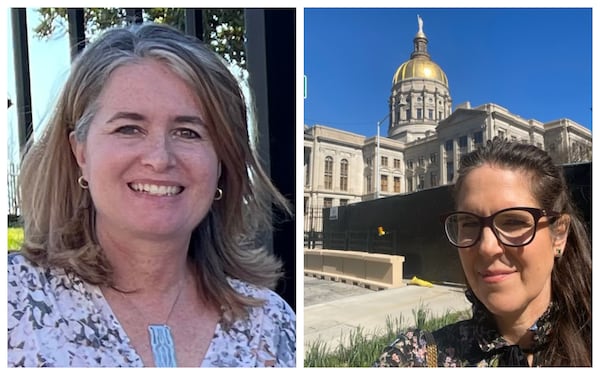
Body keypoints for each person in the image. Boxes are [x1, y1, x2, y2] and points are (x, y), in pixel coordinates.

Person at [8, 23, 295, 367]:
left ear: (222, 161)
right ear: (80, 153)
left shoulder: (269, 323)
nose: (160, 158)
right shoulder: (15, 299)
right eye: (129, 128)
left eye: (188, 133)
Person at [374, 137, 591, 367]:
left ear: (559, 234)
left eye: (513, 222)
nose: (487, 247)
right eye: (469, 223)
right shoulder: (417, 357)